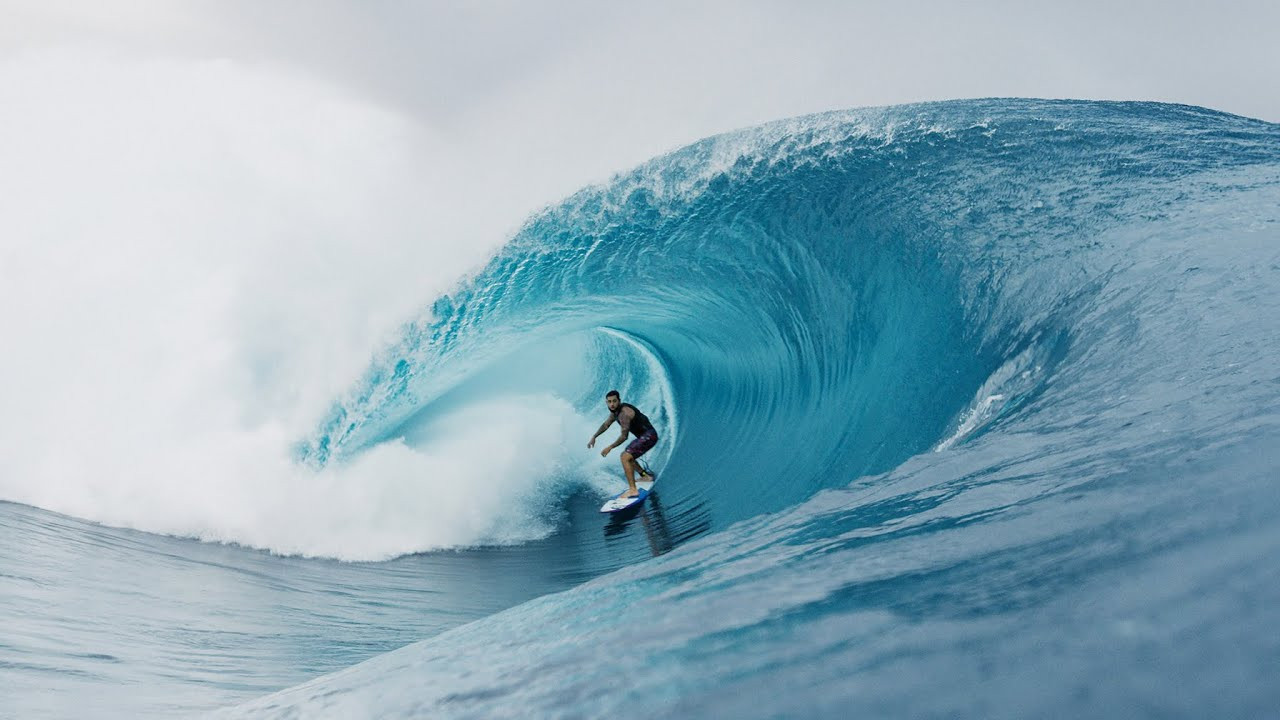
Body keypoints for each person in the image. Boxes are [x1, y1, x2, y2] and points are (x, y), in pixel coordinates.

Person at [588, 390, 658, 498]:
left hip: (649, 436)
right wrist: (594, 436)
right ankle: (645, 476)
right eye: (609, 401)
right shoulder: (614, 412)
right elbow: (606, 425)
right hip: (645, 436)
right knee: (629, 455)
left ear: (619, 401)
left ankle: (633, 490)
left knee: (625, 456)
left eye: (614, 401)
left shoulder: (624, 413)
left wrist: (610, 447)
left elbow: (624, 436)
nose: (612, 404)